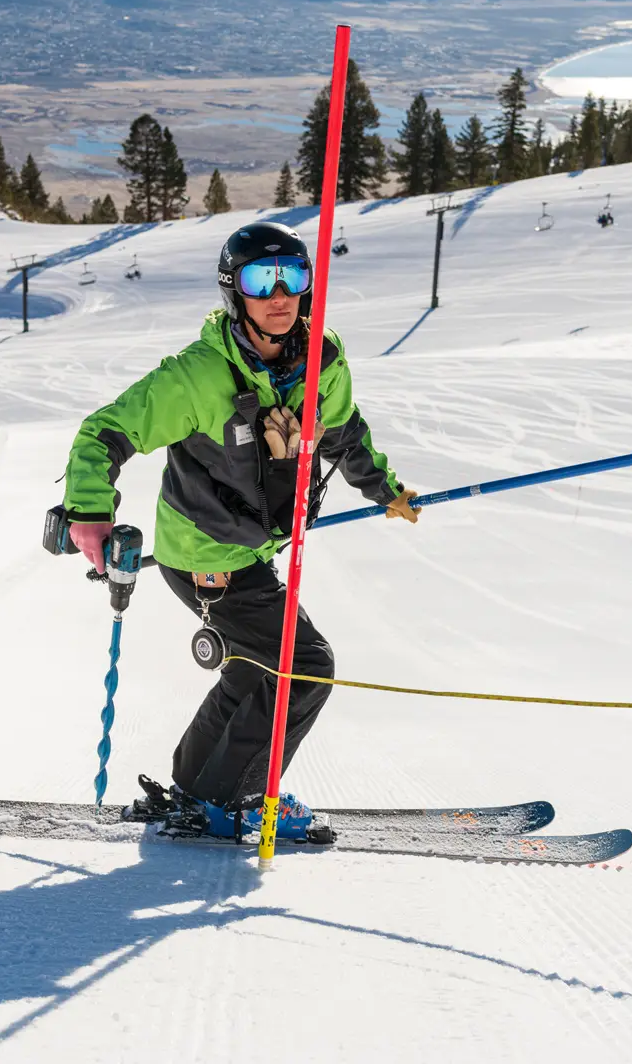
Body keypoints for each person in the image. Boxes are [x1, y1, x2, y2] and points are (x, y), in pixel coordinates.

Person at [64, 221, 420, 839]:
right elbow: (103, 434)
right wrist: (90, 511)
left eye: (294, 278)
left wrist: (385, 492)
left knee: (255, 666)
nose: (280, 296)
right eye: (262, 280)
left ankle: (199, 785)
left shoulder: (320, 362)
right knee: (306, 665)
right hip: (205, 554)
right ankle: (240, 799)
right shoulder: (198, 376)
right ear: (235, 290)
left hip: (251, 550)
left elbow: (343, 434)